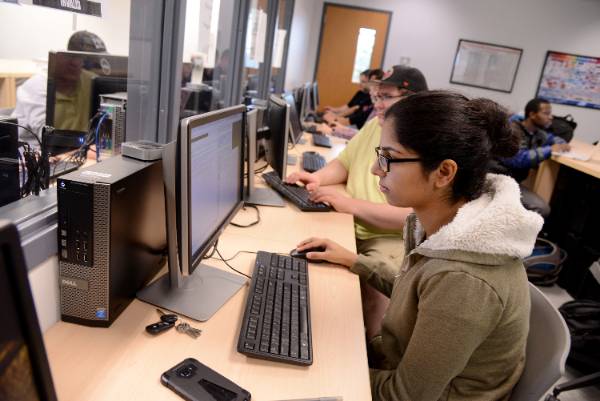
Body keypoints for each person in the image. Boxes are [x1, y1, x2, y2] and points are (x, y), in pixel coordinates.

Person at [296, 91, 543, 401]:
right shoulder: (443, 224)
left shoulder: (464, 281)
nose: (376, 169)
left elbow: (406, 395)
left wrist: (320, 367)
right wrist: (353, 260)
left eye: (390, 157)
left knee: (289, 367)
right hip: (405, 367)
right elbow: (415, 292)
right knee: (313, 331)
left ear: (444, 172)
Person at [286, 65, 428, 339]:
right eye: (376, 96)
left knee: (374, 297)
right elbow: (345, 162)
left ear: (412, 100)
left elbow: (415, 216)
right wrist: (316, 178)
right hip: (351, 223)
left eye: (385, 97)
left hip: (386, 237)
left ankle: (369, 365)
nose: (378, 104)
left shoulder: (420, 142)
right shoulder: (377, 123)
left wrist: (350, 205)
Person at [11, 31, 107, 144]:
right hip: (32, 150)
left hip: (74, 149)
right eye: (73, 57)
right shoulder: (37, 86)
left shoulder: (89, 80)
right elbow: (46, 134)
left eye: (84, 60)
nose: (77, 63)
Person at [498, 98, 570, 218]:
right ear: (532, 114)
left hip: (512, 181)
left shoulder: (536, 132)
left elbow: (553, 138)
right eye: (546, 113)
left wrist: (561, 144)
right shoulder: (513, 131)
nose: (551, 117)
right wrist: (550, 149)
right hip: (498, 177)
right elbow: (518, 159)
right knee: (541, 208)